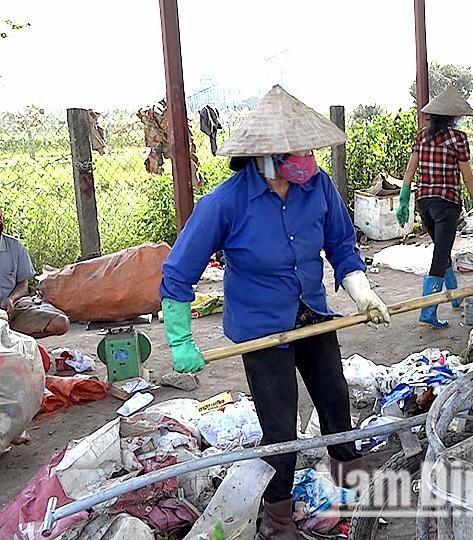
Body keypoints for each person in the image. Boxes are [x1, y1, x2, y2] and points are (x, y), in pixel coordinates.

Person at [159, 85, 390, 540]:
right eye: (294, 152)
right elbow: (177, 273)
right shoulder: (224, 204)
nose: (306, 159)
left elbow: (342, 247)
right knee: (280, 428)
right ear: (262, 156)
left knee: (336, 405)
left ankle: (355, 494)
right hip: (262, 328)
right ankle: (277, 520)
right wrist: (181, 340)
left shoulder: (318, 186)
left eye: (308, 149)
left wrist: (362, 293)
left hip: (311, 313)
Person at [395, 86, 473, 328]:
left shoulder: (422, 136)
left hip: (425, 203)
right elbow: (468, 178)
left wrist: (404, 198)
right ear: (453, 118)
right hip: (447, 204)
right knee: (440, 255)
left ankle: (454, 295)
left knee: (441, 247)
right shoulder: (458, 139)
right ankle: (427, 313)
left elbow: (409, 171)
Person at [0, 210, 70, 338]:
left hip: (13, 307)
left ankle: (15, 338)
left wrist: (11, 299)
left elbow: (23, 284)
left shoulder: (15, 247)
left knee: (61, 323)